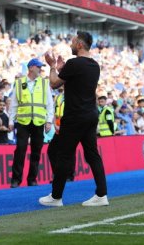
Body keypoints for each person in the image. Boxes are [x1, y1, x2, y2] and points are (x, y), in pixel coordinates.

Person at [40, 31, 108, 207]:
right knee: (92, 155)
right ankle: (101, 194)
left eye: (72, 42)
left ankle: (56, 197)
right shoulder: (95, 65)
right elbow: (75, 81)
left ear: (79, 44)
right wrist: (63, 69)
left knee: (61, 154)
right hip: (90, 115)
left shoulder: (74, 63)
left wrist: (53, 66)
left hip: (75, 116)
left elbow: (54, 83)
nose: (70, 45)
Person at [9, 58, 53, 188]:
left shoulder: (44, 83)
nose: (41, 69)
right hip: (23, 121)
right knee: (20, 150)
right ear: (31, 67)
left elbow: (49, 104)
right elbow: (14, 104)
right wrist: (11, 120)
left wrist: (48, 121)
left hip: (39, 122)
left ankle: (32, 179)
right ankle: (16, 180)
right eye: (39, 67)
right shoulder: (19, 83)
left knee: (36, 151)